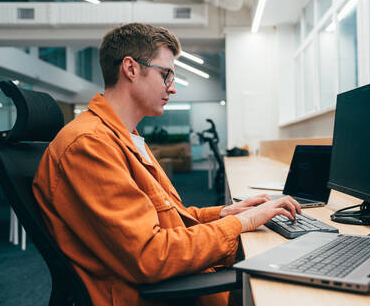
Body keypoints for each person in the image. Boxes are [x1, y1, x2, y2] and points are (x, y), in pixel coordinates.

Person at [32, 23, 301, 306]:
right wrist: (240, 223)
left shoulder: (126, 137)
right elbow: (151, 255)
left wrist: (225, 212)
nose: (172, 89)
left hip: (180, 284)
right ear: (131, 68)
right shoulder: (89, 145)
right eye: (166, 75)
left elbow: (168, 219)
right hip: (156, 296)